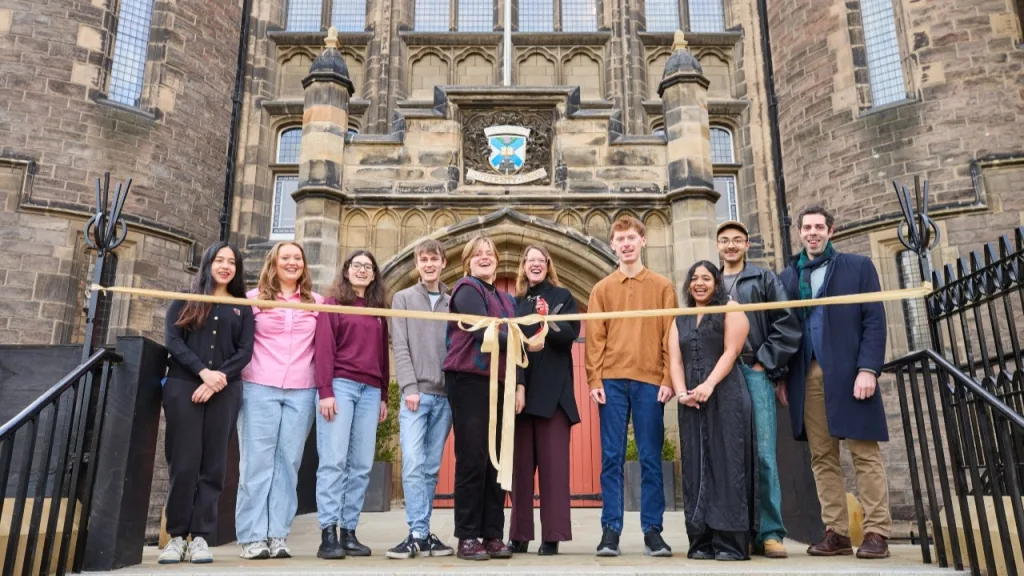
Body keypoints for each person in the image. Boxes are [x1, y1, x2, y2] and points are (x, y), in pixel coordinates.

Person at [778, 205, 891, 559]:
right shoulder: (787, 278)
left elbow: (874, 319)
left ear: (831, 230)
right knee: (822, 456)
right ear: (799, 233)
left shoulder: (858, 267)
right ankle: (837, 532)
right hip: (807, 374)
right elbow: (782, 329)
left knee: (863, 452)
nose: (812, 232)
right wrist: (781, 375)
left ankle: (877, 531)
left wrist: (869, 369)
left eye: (819, 227)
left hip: (850, 372)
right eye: (807, 227)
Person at [585, 215, 678, 558]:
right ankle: (610, 530)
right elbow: (595, 339)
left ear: (643, 241)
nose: (625, 244)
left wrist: (668, 377)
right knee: (611, 458)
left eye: (631, 238)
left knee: (651, 457)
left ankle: (652, 530)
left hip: (650, 381)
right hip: (611, 381)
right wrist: (594, 378)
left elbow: (671, 335)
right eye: (619, 239)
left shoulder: (662, 286)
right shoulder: (602, 289)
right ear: (612, 245)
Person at [159, 242, 254, 565]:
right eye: (220, 260)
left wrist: (216, 380)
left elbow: (244, 352)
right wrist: (202, 373)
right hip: (184, 387)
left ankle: (201, 537)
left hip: (224, 391)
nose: (226, 266)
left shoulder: (243, 307)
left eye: (232, 262)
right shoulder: (187, 299)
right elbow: (173, 341)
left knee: (213, 465)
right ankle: (176, 536)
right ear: (208, 263)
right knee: (183, 463)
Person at [715, 220, 801, 558]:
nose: (731, 246)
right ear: (718, 245)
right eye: (725, 241)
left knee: (764, 454)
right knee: (729, 457)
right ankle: (739, 531)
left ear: (747, 244)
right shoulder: (709, 281)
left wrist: (764, 362)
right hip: (720, 376)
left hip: (753, 370)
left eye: (737, 240)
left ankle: (770, 532)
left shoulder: (763, 278)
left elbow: (786, 322)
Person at [235, 241, 324, 560]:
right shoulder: (252, 300)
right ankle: (252, 535)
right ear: (273, 263)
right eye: (285, 257)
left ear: (304, 265)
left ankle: (277, 534)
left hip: (302, 389)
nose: (292, 262)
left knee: (288, 464)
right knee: (257, 462)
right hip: (259, 385)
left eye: (297, 258)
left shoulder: (317, 302)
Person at [669, 260, 757, 561]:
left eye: (706, 278)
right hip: (690, 400)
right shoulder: (679, 317)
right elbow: (675, 361)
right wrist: (681, 392)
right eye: (694, 278)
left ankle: (730, 542)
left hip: (725, 395)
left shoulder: (731, 309)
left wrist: (708, 384)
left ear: (717, 283)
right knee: (695, 464)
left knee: (726, 462)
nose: (699, 283)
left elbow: (731, 352)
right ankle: (701, 541)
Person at [442, 235, 519, 561]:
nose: (485, 257)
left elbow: (514, 347)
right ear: (468, 261)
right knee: (473, 458)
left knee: (496, 462)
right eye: (478, 254)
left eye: (490, 253)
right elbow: (483, 331)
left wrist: (521, 385)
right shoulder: (466, 290)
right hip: (470, 381)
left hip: (501, 383)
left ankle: (492, 534)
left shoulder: (506, 299)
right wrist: (525, 337)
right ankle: (468, 535)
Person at [313, 250, 391, 559]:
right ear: (346, 271)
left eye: (368, 267)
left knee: (360, 465)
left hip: (371, 390)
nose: (362, 270)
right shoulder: (333, 305)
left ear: (374, 275)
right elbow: (324, 349)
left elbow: (382, 355)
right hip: (341, 386)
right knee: (333, 460)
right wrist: (325, 391)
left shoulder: (377, 310)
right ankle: (328, 532)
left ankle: (348, 531)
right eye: (356, 266)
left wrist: (384, 393)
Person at [508, 245, 581, 556]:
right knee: (520, 471)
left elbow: (569, 333)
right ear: (523, 267)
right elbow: (512, 347)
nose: (535, 265)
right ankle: (520, 535)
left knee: (553, 470)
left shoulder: (562, 296)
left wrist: (546, 320)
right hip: (523, 393)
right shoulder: (514, 304)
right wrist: (518, 386)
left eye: (540, 260)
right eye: (530, 260)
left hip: (555, 394)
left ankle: (552, 535)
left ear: (547, 265)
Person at [386, 239, 455, 560]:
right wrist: (409, 387)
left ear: (443, 263)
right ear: (418, 264)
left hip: (446, 398)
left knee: (430, 468)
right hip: (417, 395)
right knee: (412, 463)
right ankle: (417, 532)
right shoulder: (402, 298)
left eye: (434, 259)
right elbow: (400, 345)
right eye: (423, 259)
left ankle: (422, 534)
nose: (429, 264)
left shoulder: (453, 301)